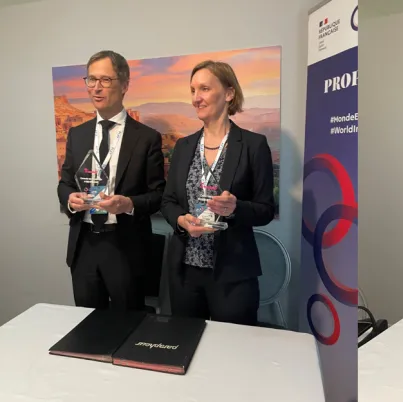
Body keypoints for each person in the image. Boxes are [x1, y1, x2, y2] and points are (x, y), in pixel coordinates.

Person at [161, 60, 275, 326]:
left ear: (229, 93)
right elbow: (168, 201)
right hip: (185, 272)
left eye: (204, 89)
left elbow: (266, 210)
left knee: (233, 348)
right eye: (192, 90)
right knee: (186, 343)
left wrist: (235, 208)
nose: (196, 98)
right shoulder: (184, 146)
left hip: (233, 273)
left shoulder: (253, 145)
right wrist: (180, 220)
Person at [57, 50, 165, 311]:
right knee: (87, 325)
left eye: (105, 80)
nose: (96, 87)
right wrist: (70, 199)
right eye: (91, 79)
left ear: (124, 85)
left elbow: (158, 195)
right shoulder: (77, 134)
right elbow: (65, 183)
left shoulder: (146, 138)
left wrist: (128, 204)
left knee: (129, 326)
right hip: (84, 245)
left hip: (125, 246)